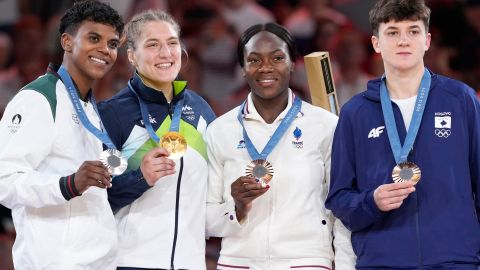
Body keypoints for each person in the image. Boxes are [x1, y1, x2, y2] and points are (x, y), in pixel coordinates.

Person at [325, 0, 480, 269]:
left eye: (413, 31)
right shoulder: (355, 114)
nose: (403, 41)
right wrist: (370, 202)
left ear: (427, 40)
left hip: (456, 260)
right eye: (393, 32)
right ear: (376, 43)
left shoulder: (460, 100)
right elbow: (339, 198)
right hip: (383, 262)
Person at [205, 22, 355, 270]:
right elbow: (206, 218)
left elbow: (342, 209)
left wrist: (345, 265)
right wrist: (237, 209)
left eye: (277, 58)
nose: (266, 67)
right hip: (238, 263)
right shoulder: (220, 130)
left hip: (307, 262)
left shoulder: (325, 125)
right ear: (243, 68)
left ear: (292, 64)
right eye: (254, 60)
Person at [0, 0, 124, 269]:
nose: (105, 49)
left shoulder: (88, 106)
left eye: (113, 43)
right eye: (94, 38)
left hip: (98, 260)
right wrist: (67, 184)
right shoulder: (39, 98)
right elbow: (4, 180)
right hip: (54, 261)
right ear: (67, 42)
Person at [98, 9, 215, 270]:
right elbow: (97, 198)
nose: (165, 53)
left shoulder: (201, 111)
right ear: (132, 56)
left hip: (191, 262)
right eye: (152, 45)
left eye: (172, 43)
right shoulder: (113, 115)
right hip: (131, 262)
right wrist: (140, 178)